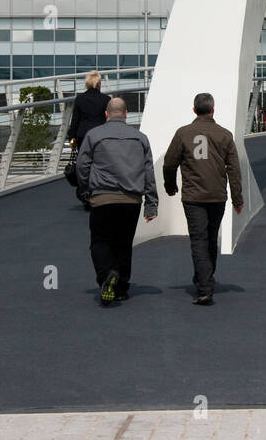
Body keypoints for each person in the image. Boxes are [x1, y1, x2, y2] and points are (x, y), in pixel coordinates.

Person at [75, 97, 158, 307]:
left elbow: (82, 167)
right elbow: (149, 171)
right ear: (126, 113)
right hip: (131, 200)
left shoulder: (94, 135)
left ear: (106, 114)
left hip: (102, 197)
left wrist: (85, 192)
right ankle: (120, 287)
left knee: (100, 241)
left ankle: (106, 275)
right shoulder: (140, 138)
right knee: (123, 243)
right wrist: (151, 203)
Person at [163, 92, 244, 307]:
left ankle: (204, 286)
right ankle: (205, 278)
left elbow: (169, 163)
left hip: (193, 196)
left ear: (194, 110)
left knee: (198, 239)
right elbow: (234, 170)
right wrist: (237, 198)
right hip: (217, 195)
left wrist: (170, 186)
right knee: (210, 238)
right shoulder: (225, 135)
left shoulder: (183, 133)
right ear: (213, 110)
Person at [67, 71, 111, 209]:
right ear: (98, 84)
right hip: (101, 136)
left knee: (84, 165)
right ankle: (100, 193)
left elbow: (75, 120)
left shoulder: (80, 99)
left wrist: (72, 137)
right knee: (100, 165)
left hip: (83, 136)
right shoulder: (106, 99)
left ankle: (85, 194)